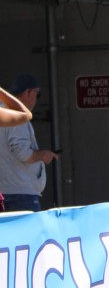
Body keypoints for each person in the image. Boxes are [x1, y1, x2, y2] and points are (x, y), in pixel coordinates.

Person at [0, 73, 55, 213]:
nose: (36, 99)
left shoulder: (3, 113)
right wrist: (43, 155)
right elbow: (23, 153)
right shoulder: (16, 116)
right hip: (21, 195)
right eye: (37, 94)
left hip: (6, 192)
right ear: (28, 92)